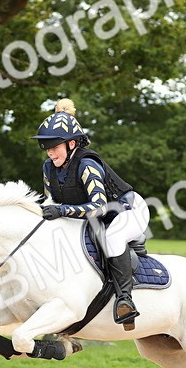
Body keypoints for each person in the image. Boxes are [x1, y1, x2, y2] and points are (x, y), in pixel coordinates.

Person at [32, 98, 150, 329]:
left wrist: (62, 210)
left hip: (126, 211)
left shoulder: (87, 164)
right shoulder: (49, 169)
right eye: (47, 148)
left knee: (113, 238)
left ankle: (125, 300)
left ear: (72, 144)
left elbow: (99, 207)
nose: (50, 154)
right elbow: (51, 203)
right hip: (94, 218)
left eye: (54, 147)